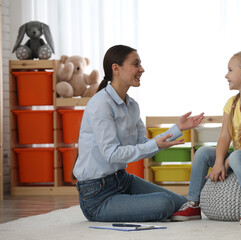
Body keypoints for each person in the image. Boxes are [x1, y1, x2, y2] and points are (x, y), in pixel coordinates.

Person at [73, 44, 204, 222]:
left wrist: (177, 129)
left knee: (183, 203)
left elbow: (142, 143)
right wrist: (155, 144)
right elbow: (112, 154)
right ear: (116, 69)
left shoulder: (132, 105)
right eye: (136, 64)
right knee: (164, 203)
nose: (142, 69)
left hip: (122, 180)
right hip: (97, 194)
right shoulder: (100, 104)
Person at [171, 50, 241, 225]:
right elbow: (224, 137)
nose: (226, 75)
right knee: (203, 153)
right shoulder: (231, 104)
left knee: (237, 155)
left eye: (230, 70)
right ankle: (193, 204)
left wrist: (226, 162)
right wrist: (217, 162)